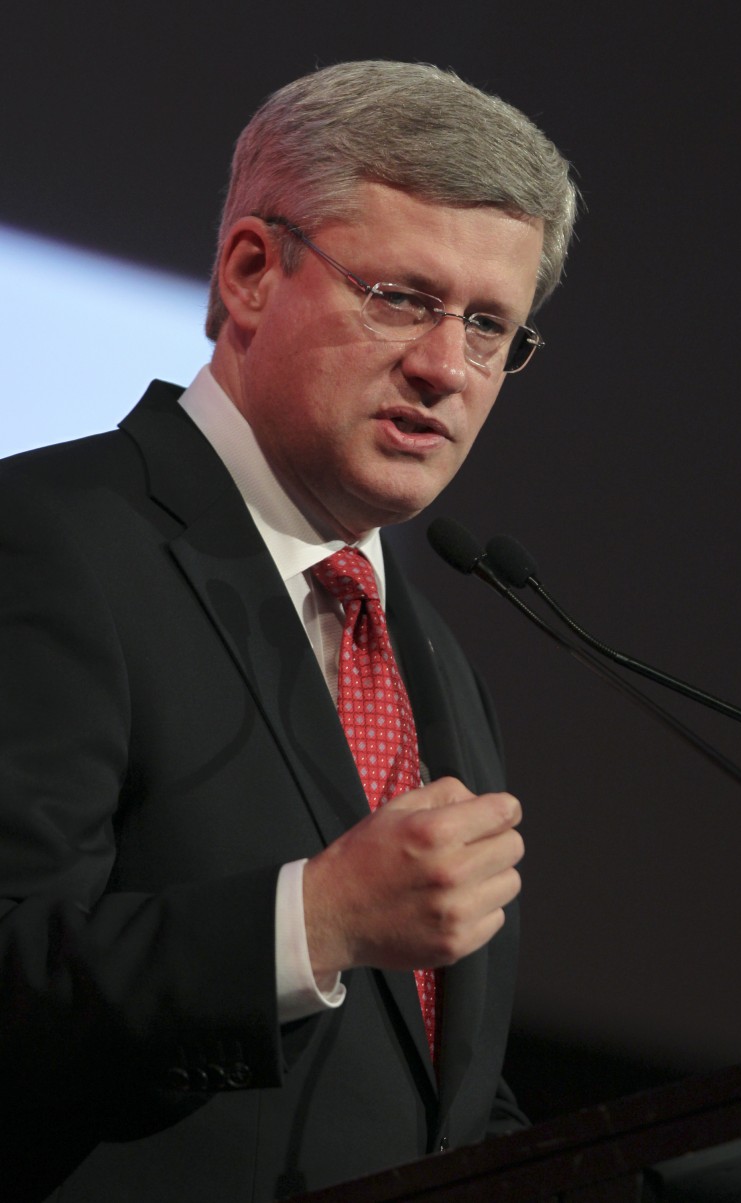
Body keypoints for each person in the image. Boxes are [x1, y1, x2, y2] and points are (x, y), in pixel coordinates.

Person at [0, 60, 577, 1202]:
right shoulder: (49, 540)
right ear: (252, 272)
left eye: (490, 326)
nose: (444, 369)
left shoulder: (435, 661)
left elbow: (431, 1091)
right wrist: (315, 918)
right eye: (403, 297)